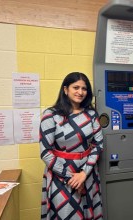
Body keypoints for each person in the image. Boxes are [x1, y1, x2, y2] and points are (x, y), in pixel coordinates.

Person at [39, 72, 104, 220]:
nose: (80, 92)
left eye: (84, 88)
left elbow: (98, 145)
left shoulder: (92, 114)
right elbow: (45, 152)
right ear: (65, 89)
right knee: (66, 214)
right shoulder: (51, 115)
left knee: (89, 213)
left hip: (87, 173)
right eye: (76, 87)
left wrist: (83, 174)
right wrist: (71, 178)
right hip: (60, 175)